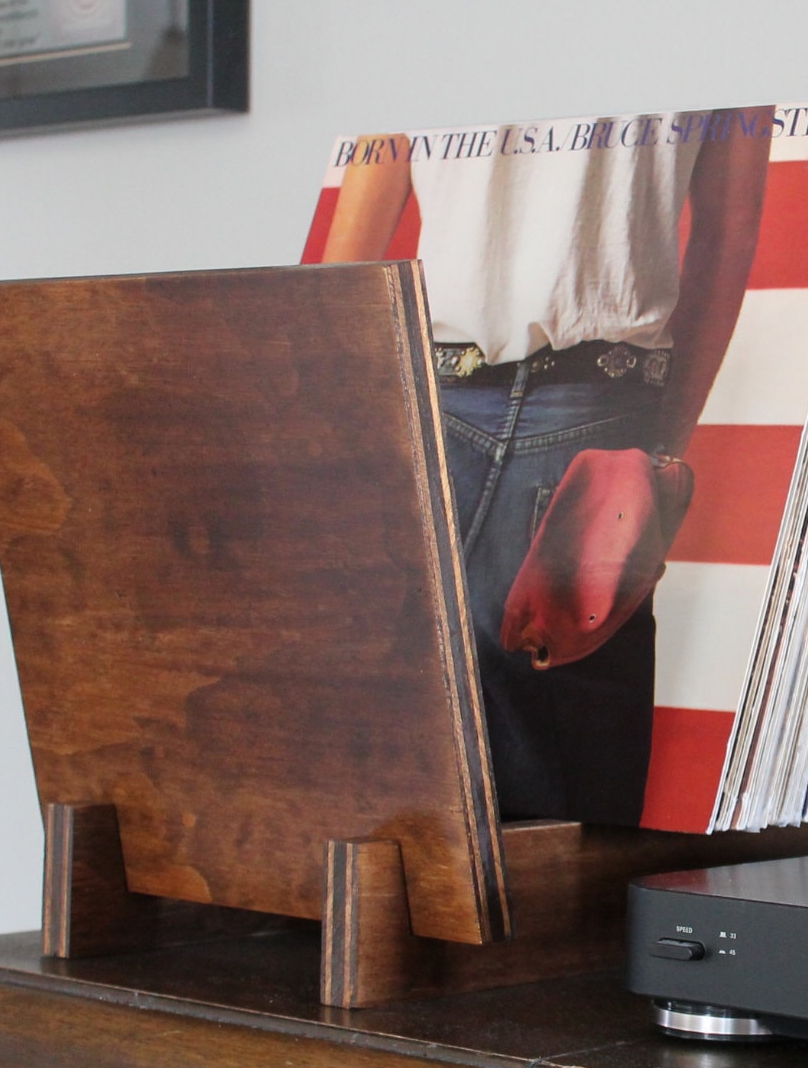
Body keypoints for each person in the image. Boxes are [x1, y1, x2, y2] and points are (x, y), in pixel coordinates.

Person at [321, 109, 773, 824]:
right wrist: (659, 447)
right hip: (598, 402)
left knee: (402, 797)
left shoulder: (418, 4)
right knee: (569, 809)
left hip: (434, 396)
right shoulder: (729, 15)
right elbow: (728, 233)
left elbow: (350, 252)